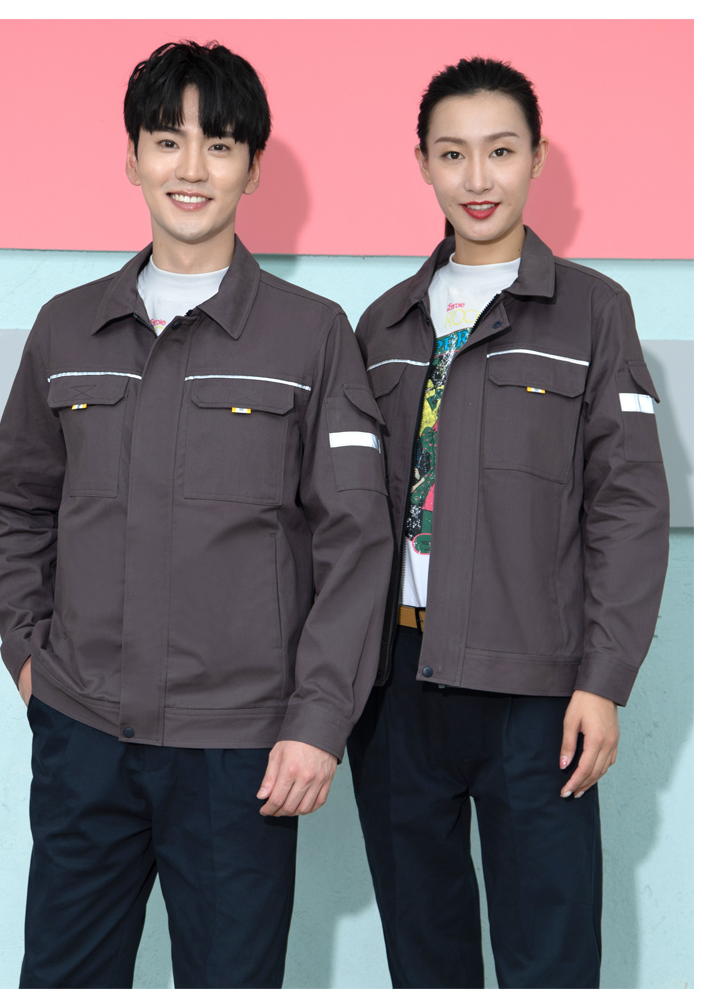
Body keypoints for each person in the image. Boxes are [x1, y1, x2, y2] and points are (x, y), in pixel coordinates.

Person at [0, 40, 391, 989]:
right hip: (84, 739)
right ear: (132, 158)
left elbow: (356, 541)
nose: (191, 167)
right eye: (168, 140)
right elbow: (13, 503)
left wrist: (319, 718)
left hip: (241, 754)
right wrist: (30, 656)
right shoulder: (66, 327)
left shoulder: (313, 334)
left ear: (254, 167)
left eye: (219, 144)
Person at [347, 56, 669, 989]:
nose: (477, 177)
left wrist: (603, 682)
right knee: (424, 957)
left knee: (550, 957)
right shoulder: (383, 325)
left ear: (537, 158)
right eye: (453, 154)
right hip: (396, 688)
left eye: (500, 151)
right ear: (423, 163)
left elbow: (630, 509)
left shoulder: (595, 311)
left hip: (537, 693)